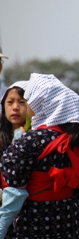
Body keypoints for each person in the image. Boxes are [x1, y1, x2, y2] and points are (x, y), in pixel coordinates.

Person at [0, 73, 79, 239]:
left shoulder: (30, 141)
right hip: (70, 225)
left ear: (39, 103)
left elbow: (14, 195)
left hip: (33, 226)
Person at [0, 81, 28, 238]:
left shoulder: (35, 138)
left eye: (22, 102)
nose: (15, 107)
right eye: (10, 102)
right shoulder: (0, 139)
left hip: (30, 209)